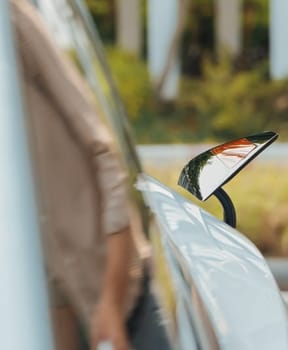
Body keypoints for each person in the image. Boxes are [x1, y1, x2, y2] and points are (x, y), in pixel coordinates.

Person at [11, 0, 169, 349]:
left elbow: (103, 151)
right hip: (56, 309)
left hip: (120, 297)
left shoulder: (11, 21)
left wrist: (110, 301)